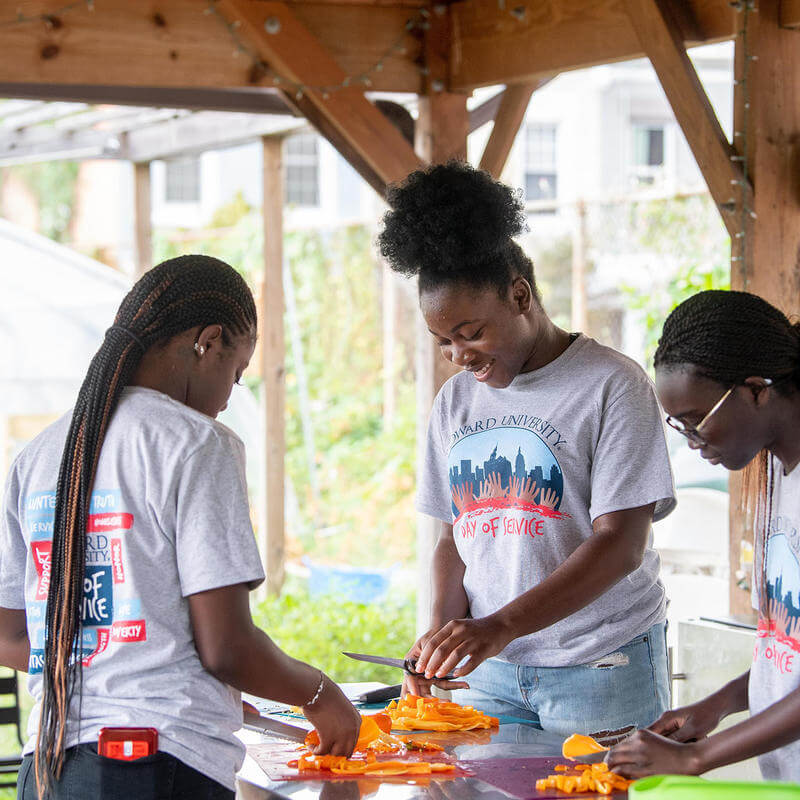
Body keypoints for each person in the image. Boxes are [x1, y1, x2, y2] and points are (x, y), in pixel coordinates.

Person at [0, 255, 360, 800]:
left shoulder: (37, 457)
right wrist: (318, 694)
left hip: (46, 772)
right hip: (152, 769)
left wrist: (154, 669)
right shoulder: (196, 445)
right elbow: (226, 648)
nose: (227, 398)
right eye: (236, 374)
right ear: (208, 342)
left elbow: (11, 637)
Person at [377, 162, 676, 737]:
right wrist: (443, 633)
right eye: (443, 341)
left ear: (520, 295)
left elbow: (621, 545)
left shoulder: (611, 384)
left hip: (600, 664)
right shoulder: (455, 402)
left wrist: (498, 626)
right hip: (490, 671)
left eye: (471, 332)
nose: (459, 354)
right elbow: (452, 535)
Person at [608, 289, 800, 782]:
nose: (693, 444)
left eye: (698, 423)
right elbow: (786, 648)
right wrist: (715, 706)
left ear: (756, 389)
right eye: (681, 427)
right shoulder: (776, 473)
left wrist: (697, 758)